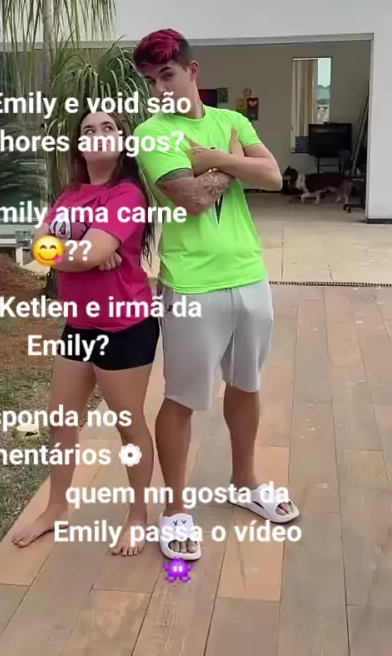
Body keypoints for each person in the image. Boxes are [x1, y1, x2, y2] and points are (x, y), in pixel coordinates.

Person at [132, 29, 299, 562]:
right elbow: (192, 198)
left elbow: (273, 176)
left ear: (193, 71)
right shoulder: (152, 134)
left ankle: (244, 483)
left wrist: (214, 157)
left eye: (168, 75)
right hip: (191, 283)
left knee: (247, 385)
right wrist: (230, 161)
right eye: (151, 81)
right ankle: (176, 509)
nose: (160, 89)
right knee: (182, 397)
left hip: (249, 274)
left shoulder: (233, 121)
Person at [12, 110, 160, 556]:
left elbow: (69, 251)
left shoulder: (127, 194)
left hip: (124, 326)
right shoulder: (71, 194)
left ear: (123, 142)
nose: (97, 135)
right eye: (88, 130)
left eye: (108, 128)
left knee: (129, 427)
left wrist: (82, 251)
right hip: (79, 324)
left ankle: (138, 515)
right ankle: (57, 507)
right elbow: (39, 247)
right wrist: (83, 252)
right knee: (61, 420)